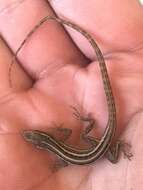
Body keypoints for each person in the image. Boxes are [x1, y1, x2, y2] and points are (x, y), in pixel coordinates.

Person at [0, 0, 143, 189]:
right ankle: (117, 146)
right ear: (42, 141)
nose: (31, 134)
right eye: (34, 135)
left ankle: (114, 145)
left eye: (33, 134)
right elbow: (66, 142)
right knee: (112, 157)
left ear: (45, 140)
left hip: (99, 146)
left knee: (104, 152)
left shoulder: (59, 151)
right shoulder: (59, 144)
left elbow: (65, 160)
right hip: (98, 147)